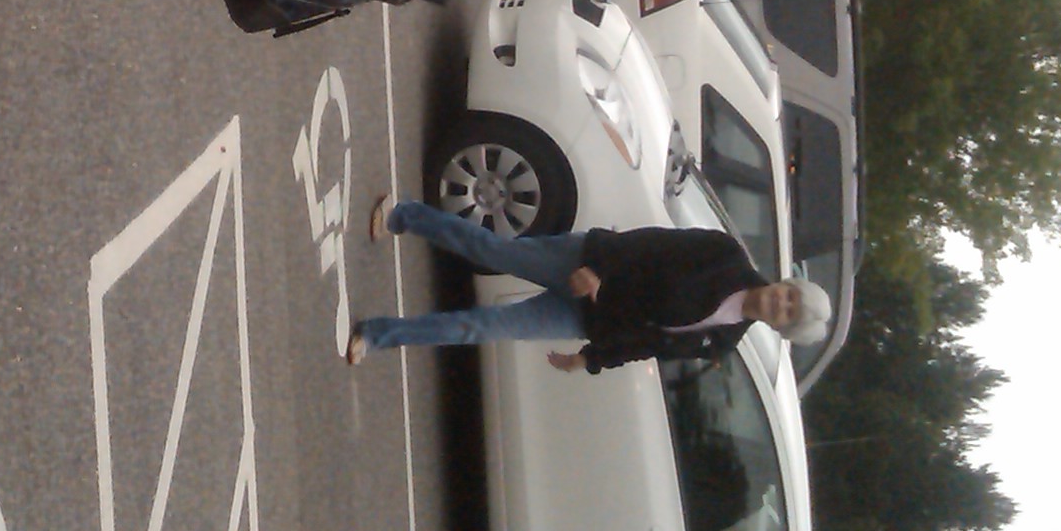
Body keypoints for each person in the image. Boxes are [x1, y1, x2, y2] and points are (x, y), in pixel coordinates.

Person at [344, 196, 830, 371]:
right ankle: (405, 215)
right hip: (584, 261)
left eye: (788, 313)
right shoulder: (726, 255)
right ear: (787, 283)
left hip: (583, 317)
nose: (781, 303)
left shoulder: (720, 342)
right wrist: (599, 267)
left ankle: (377, 334)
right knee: (491, 251)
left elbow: (648, 344)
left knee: (480, 328)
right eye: (790, 295)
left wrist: (591, 359)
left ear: (781, 328)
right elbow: (652, 243)